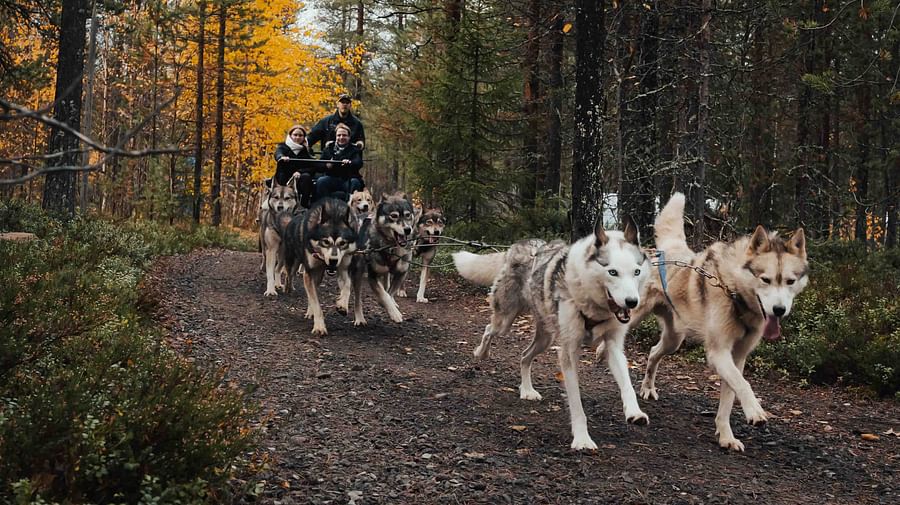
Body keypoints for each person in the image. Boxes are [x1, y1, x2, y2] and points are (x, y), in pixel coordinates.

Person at [315, 123, 364, 201]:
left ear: (349, 137)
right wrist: (327, 165)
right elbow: (319, 165)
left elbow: (358, 162)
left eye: (344, 135)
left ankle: (350, 208)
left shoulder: (355, 149)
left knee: (355, 182)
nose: (341, 137)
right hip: (332, 178)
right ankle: (325, 206)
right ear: (336, 136)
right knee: (321, 181)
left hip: (348, 179)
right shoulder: (328, 148)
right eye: (339, 135)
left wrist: (350, 162)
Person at [273, 125, 314, 207]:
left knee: (306, 177)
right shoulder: (283, 146)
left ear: (304, 137)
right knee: (282, 176)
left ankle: (303, 205)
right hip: (284, 178)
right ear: (290, 136)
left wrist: (300, 172)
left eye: (300, 135)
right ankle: (281, 204)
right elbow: (278, 153)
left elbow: (311, 166)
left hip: (300, 179)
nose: (297, 137)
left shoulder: (306, 150)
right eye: (295, 135)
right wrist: (281, 157)